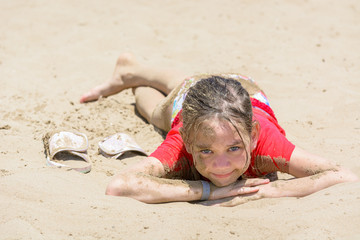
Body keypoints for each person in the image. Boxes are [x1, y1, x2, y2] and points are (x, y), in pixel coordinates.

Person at [80, 53, 358, 206]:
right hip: (193, 100)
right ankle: (132, 76)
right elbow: (119, 186)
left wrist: (269, 192)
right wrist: (205, 190)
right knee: (158, 111)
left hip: (243, 93)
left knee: (191, 85)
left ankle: (134, 72)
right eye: (206, 150)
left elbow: (342, 174)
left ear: (253, 137)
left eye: (234, 148)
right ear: (188, 141)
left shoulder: (266, 145)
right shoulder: (180, 142)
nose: (221, 165)